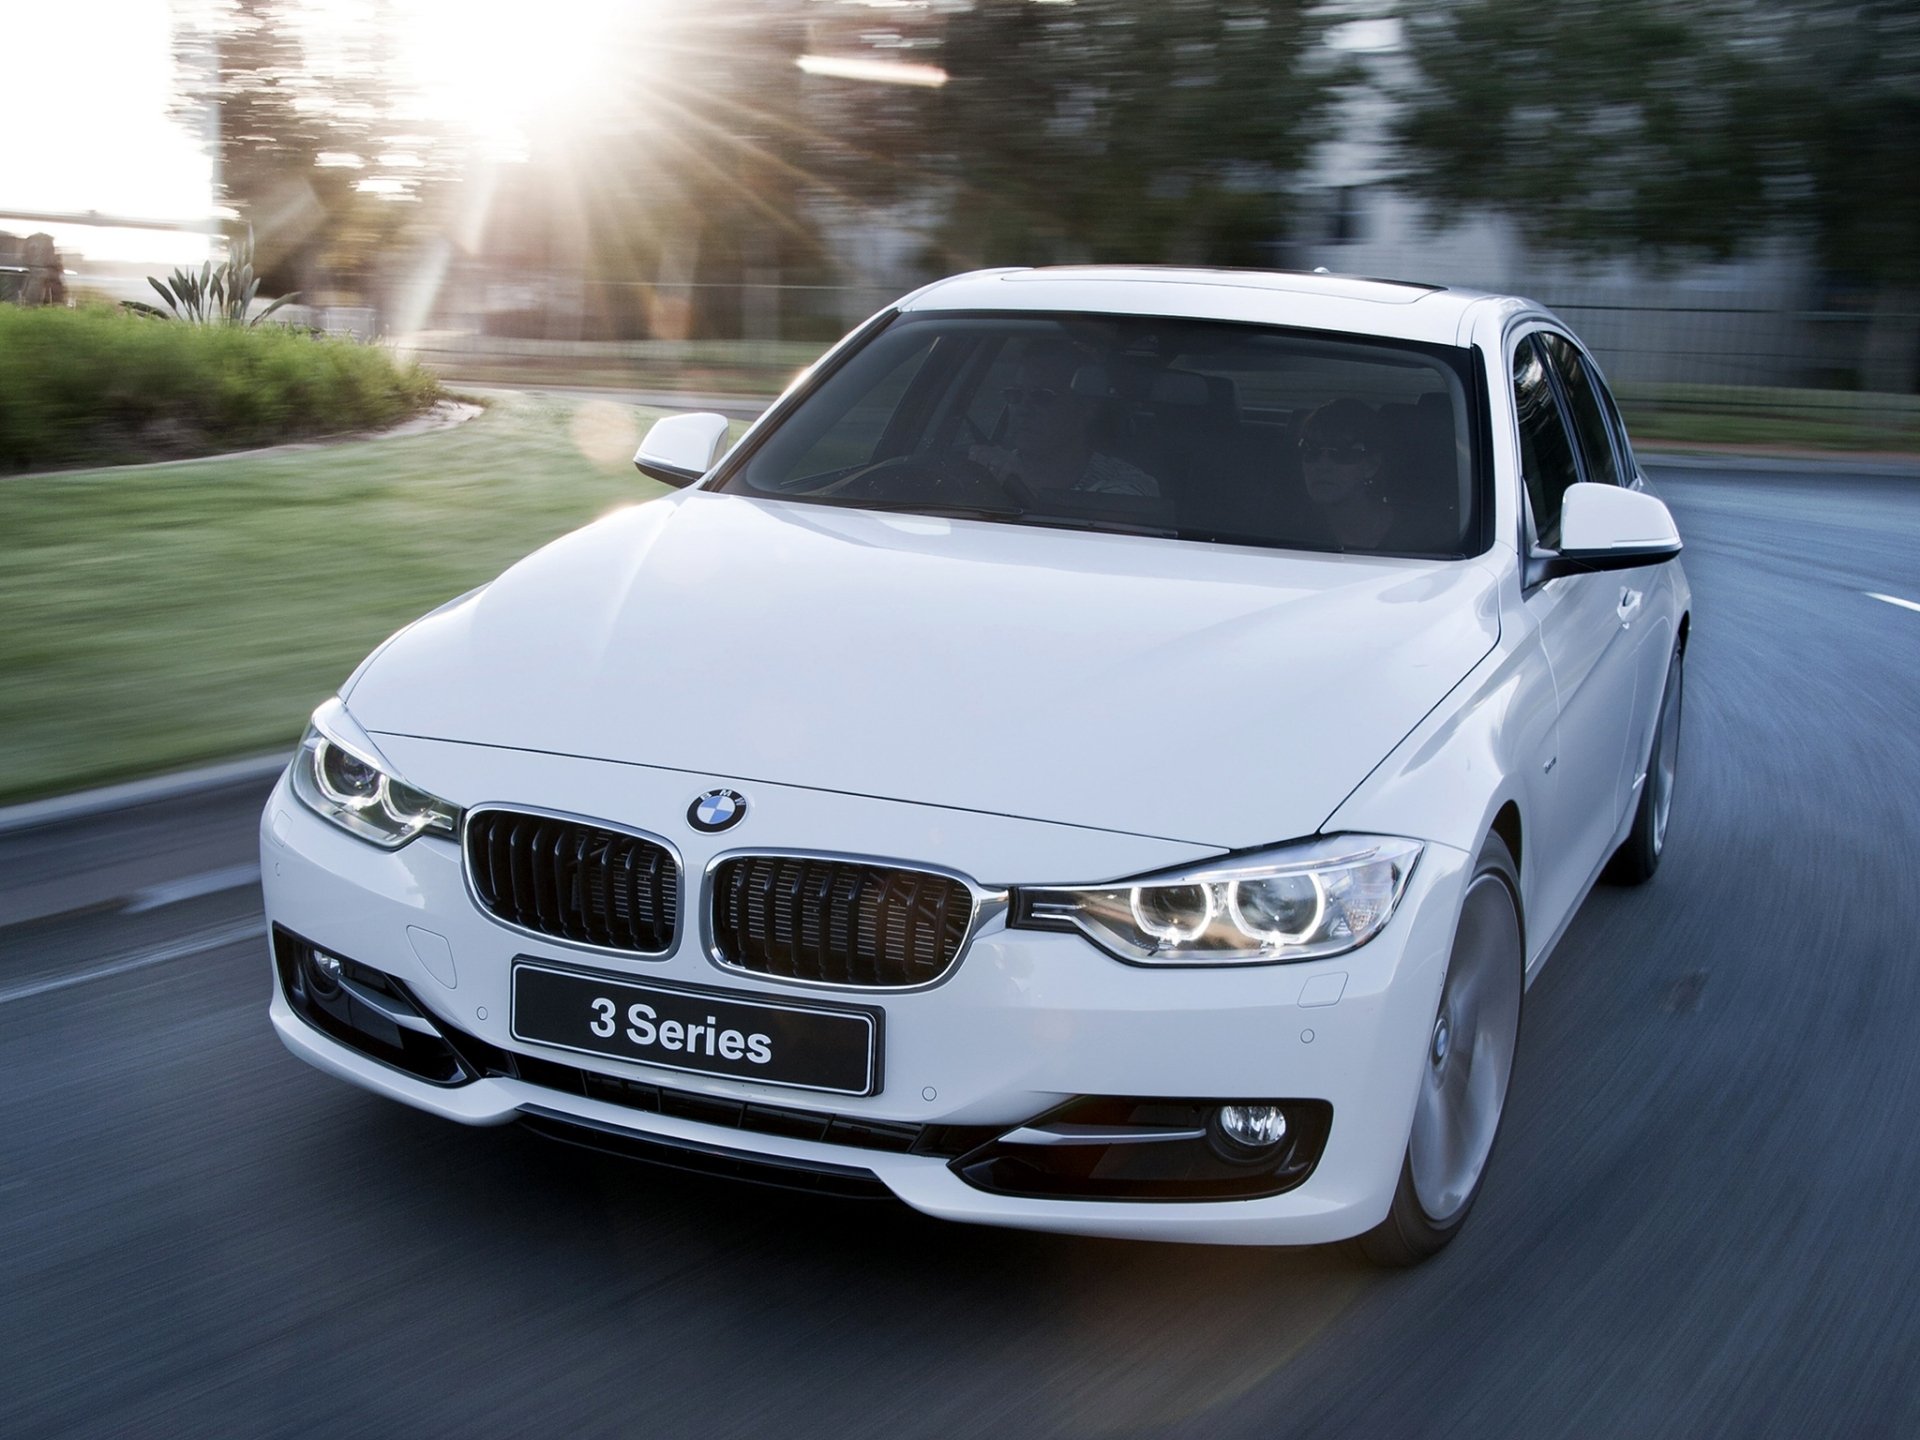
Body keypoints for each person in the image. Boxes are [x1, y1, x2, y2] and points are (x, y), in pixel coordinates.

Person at [969, 341, 1159, 496]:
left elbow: (1102, 533)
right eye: (1015, 395)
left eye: (1042, 397)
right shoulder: (983, 471)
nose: (1023, 409)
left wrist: (1021, 481)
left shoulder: (1128, 484)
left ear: (1086, 410)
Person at [1296, 397, 1396, 549]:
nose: (1322, 466)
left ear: (1371, 465)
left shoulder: (1417, 536)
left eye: (1342, 453)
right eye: (1311, 451)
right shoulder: (1285, 531)